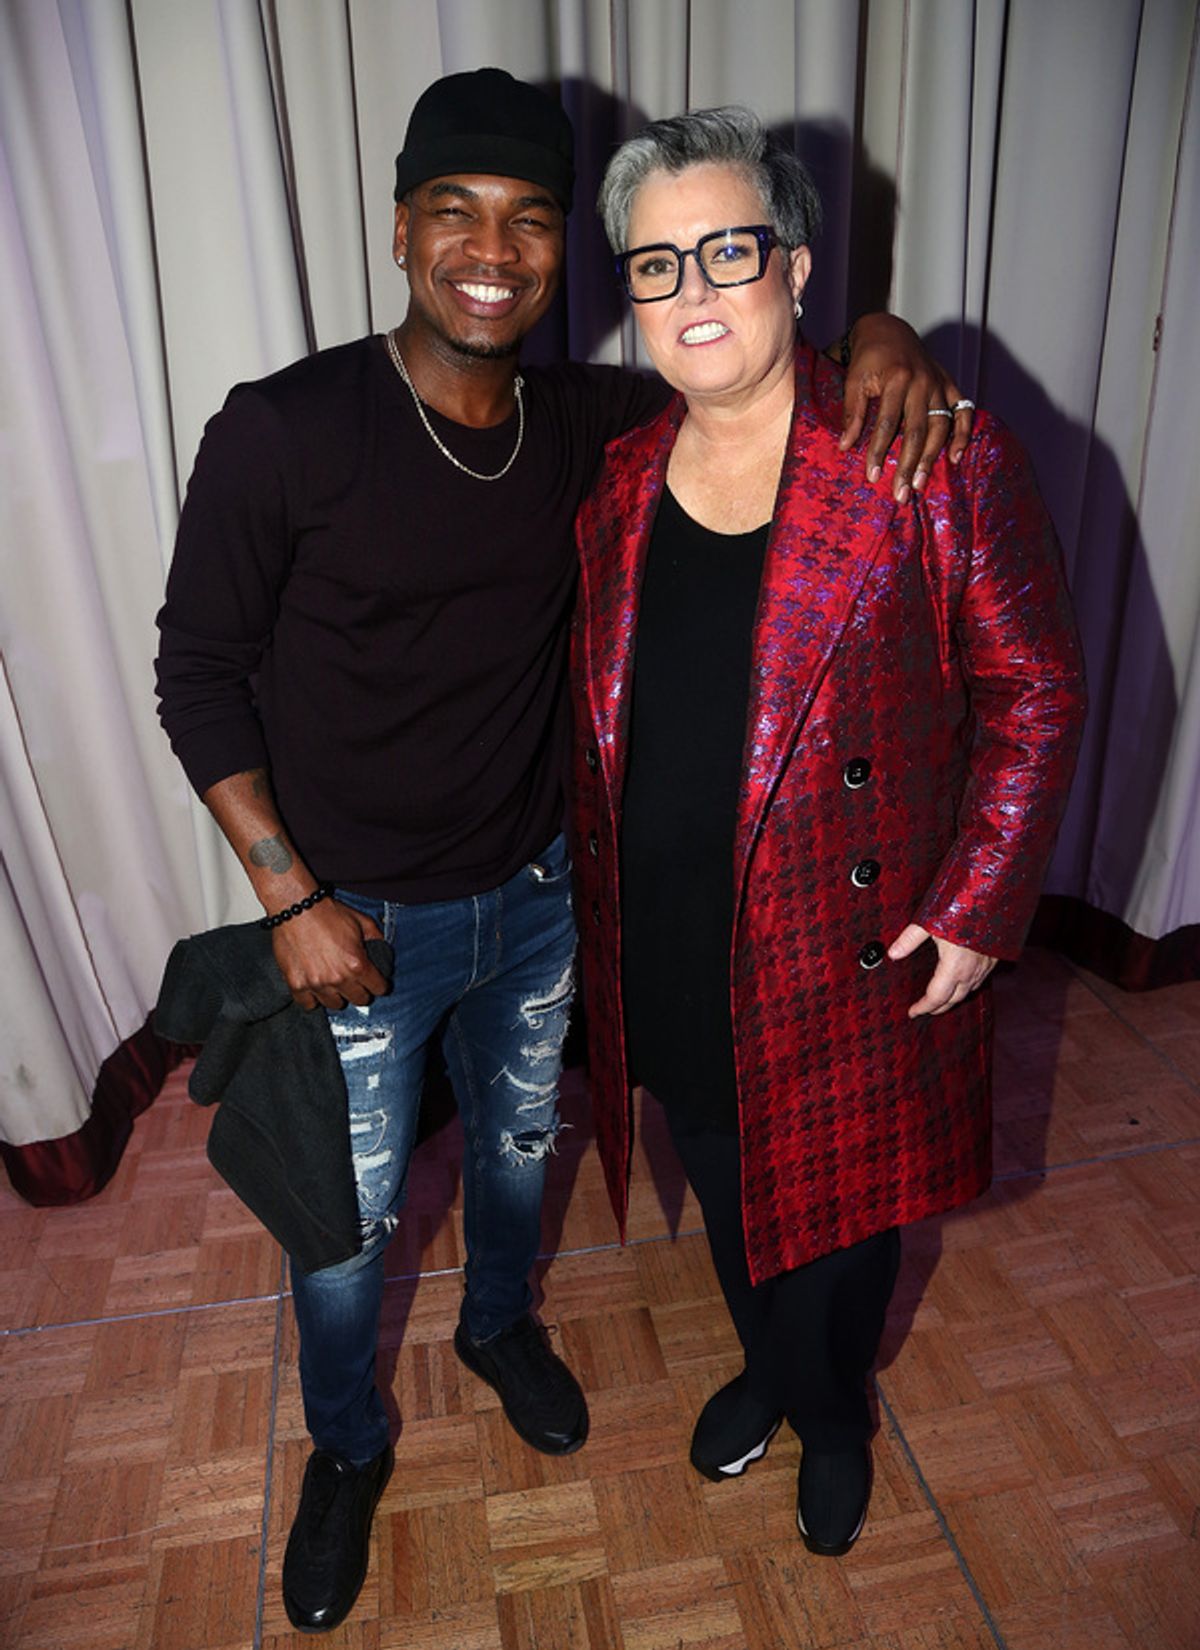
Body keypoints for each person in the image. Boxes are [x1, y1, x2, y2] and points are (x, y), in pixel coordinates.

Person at [155, 69, 977, 1632]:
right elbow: (192, 673)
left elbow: (759, 388)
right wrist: (291, 897)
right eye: (456, 214)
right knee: (343, 1225)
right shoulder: (281, 431)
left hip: (538, 906)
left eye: (530, 220)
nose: (493, 249)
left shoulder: (592, 423)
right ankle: (342, 1449)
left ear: (561, 261)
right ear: (400, 231)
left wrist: (886, 339)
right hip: (355, 924)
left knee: (521, 1164)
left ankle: (498, 1330)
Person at [571, 106, 1087, 1560]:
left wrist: (983, 902)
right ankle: (767, 1366)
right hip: (674, 935)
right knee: (732, 1192)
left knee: (846, 1223)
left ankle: (836, 1408)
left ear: (794, 270)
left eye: (725, 251)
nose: (693, 293)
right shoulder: (613, 491)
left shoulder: (927, 457)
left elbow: (1035, 689)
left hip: (854, 945)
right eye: (656, 264)